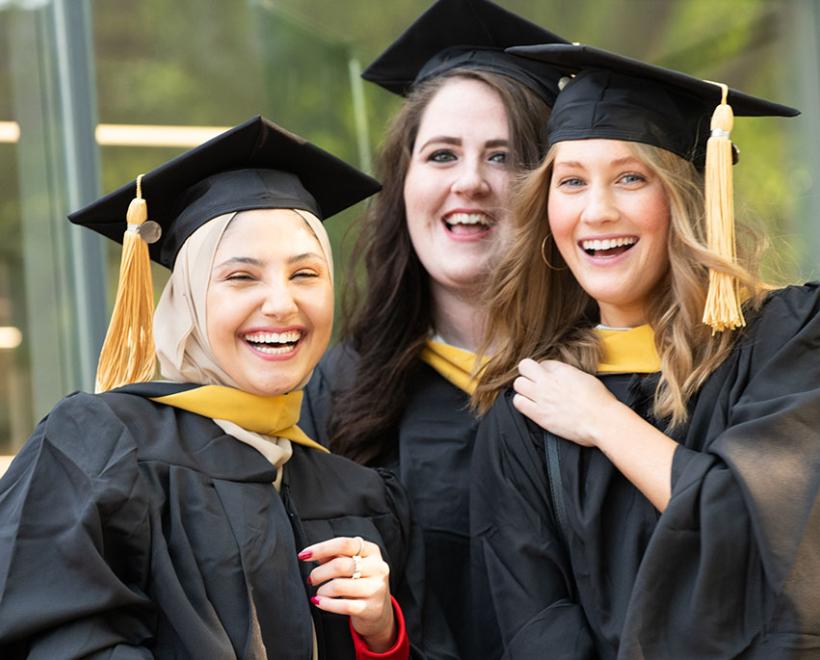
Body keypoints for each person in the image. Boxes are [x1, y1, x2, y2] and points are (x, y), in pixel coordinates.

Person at [0, 116, 457, 659]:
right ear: (188, 299)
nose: (281, 303)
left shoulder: (357, 494)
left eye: (306, 274)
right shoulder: (101, 445)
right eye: (241, 277)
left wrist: (382, 632)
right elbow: (49, 635)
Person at [470, 42, 820, 659]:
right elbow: (535, 623)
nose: (596, 212)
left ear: (686, 197)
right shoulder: (531, 405)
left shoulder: (784, 344)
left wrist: (605, 422)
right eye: (571, 182)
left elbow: (776, 547)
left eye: (630, 178)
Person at [299, 2, 566, 655]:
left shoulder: (609, 380)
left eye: (503, 156)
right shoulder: (341, 392)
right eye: (442, 154)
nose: (470, 182)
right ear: (404, 183)